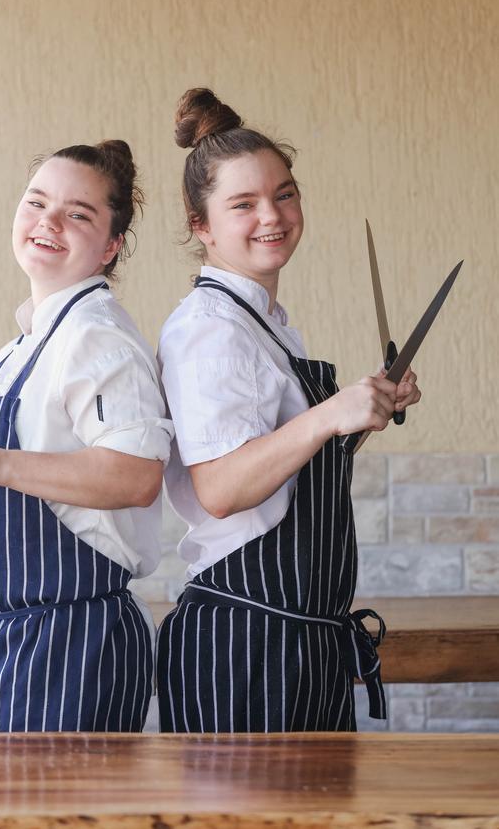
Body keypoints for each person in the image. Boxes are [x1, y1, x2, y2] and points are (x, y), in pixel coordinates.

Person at [156, 89, 421, 732]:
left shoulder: (265, 321)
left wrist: (362, 412)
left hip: (298, 638)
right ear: (202, 225)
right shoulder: (210, 329)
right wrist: (330, 415)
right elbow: (220, 488)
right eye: (242, 204)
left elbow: (282, 468)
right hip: (246, 643)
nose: (272, 215)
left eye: (285, 193)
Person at [0, 140, 173, 733]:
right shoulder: (17, 349)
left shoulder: (99, 338)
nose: (48, 222)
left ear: (111, 246)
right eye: (36, 202)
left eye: (78, 214)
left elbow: (138, 475)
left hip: (68, 645)